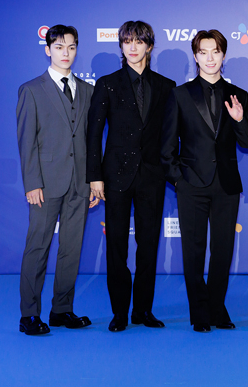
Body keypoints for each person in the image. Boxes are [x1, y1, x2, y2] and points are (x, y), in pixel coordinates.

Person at [160, 29, 248, 332]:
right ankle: (199, 313)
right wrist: (180, 181)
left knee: (223, 251)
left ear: (223, 54)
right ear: (196, 56)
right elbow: (166, 147)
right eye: (203, 52)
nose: (210, 58)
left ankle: (217, 309)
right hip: (191, 184)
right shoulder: (180, 94)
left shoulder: (239, 95)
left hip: (226, 184)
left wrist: (239, 120)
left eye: (215, 51)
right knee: (193, 251)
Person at [87, 21, 175, 332]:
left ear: (149, 46)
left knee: (148, 246)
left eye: (139, 41)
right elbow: (93, 133)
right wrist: (94, 176)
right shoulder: (107, 84)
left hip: (152, 176)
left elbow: (170, 135)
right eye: (127, 41)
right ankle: (120, 312)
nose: (133, 47)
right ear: (122, 46)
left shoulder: (166, 86)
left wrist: (171, 170)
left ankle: (143, 310)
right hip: (115, 176)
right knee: (117, 248)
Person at [16, 25, 97, 335]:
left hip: (80, 182)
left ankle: (62, 309)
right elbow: (26, 141)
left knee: (71, 249)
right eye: (60, 47)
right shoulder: (31, 89)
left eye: (72, 47)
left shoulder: (87, 91)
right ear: (48, 50)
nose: (66, 53)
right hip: (45, 183)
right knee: (38, 247)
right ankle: (29, 315)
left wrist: (93, 179)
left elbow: (92, 141)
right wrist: (31, 183)